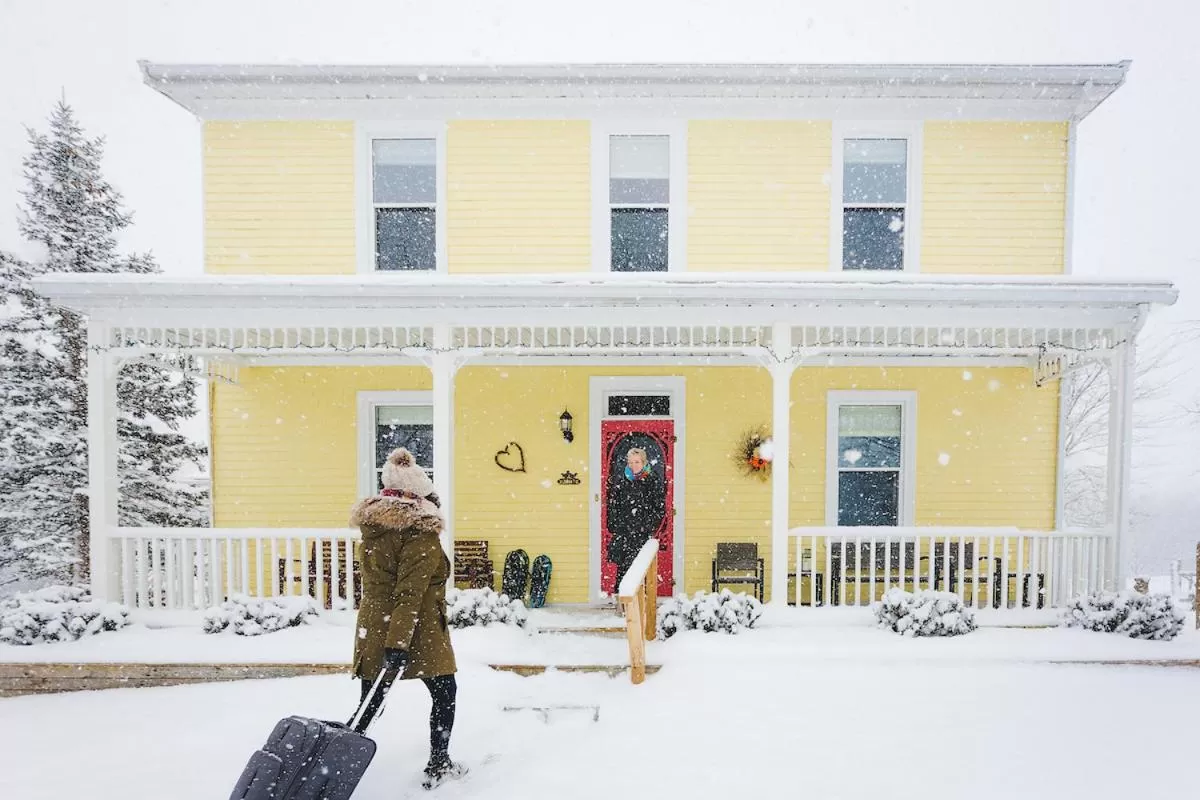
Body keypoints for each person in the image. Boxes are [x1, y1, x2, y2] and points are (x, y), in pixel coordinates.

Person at [350, 447, 466, 790]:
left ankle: (333, 764)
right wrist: (398, 644)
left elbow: (383, 587)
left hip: (376, 623)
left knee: (370, 702)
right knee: (445, 692)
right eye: (432, 496)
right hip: (417, 629)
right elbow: (408, 594)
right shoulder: (420, 536)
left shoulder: (376, 530)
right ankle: (439, 763)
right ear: (419, 499)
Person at [605, 446, 666, 603]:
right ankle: (622, 605)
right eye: (630, 462)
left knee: (640, 569)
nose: (633, 465)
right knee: (623, 568)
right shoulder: (622, 482)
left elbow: (659, 508)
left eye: (637, 462)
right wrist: (617, 526)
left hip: (642, 534)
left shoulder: (652, 481)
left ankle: (641, 604)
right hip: (624, 533)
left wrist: (647, 525)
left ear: (644, 462)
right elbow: (613, 506)